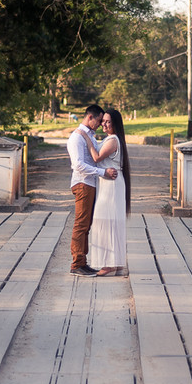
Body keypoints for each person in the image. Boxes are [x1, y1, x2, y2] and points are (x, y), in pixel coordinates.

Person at [67, 104, 117, 277]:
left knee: (86, 225)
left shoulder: (89, 136)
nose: (100, 124)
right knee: (81, 224)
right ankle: (77, 264)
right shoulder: (77, 137)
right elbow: (78, 165)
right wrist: (103, 172)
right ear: (90, 117)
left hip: (90, 184)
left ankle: (82, 262)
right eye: (98, 120)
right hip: (83, 183)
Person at [86, 109, 130, 276]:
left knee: (105, 221)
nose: (103, 123)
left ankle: (109, 263)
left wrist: (86, 136)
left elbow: (96, 158)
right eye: (103, 120)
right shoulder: (110, 139)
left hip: (111, 185)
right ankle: (116, 262)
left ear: (115, 124)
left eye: (108, 121)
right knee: (110, 221)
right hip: (108, 183)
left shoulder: (113, 140)